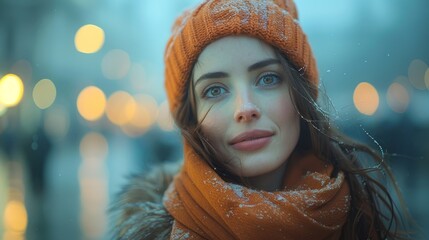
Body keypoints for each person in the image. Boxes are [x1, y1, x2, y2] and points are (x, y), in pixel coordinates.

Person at [111, 0, 411, 239]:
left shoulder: (361, 219)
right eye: (215, 90)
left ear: (300, 95)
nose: (246, 108)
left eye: (268, 79)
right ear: (191, 119)